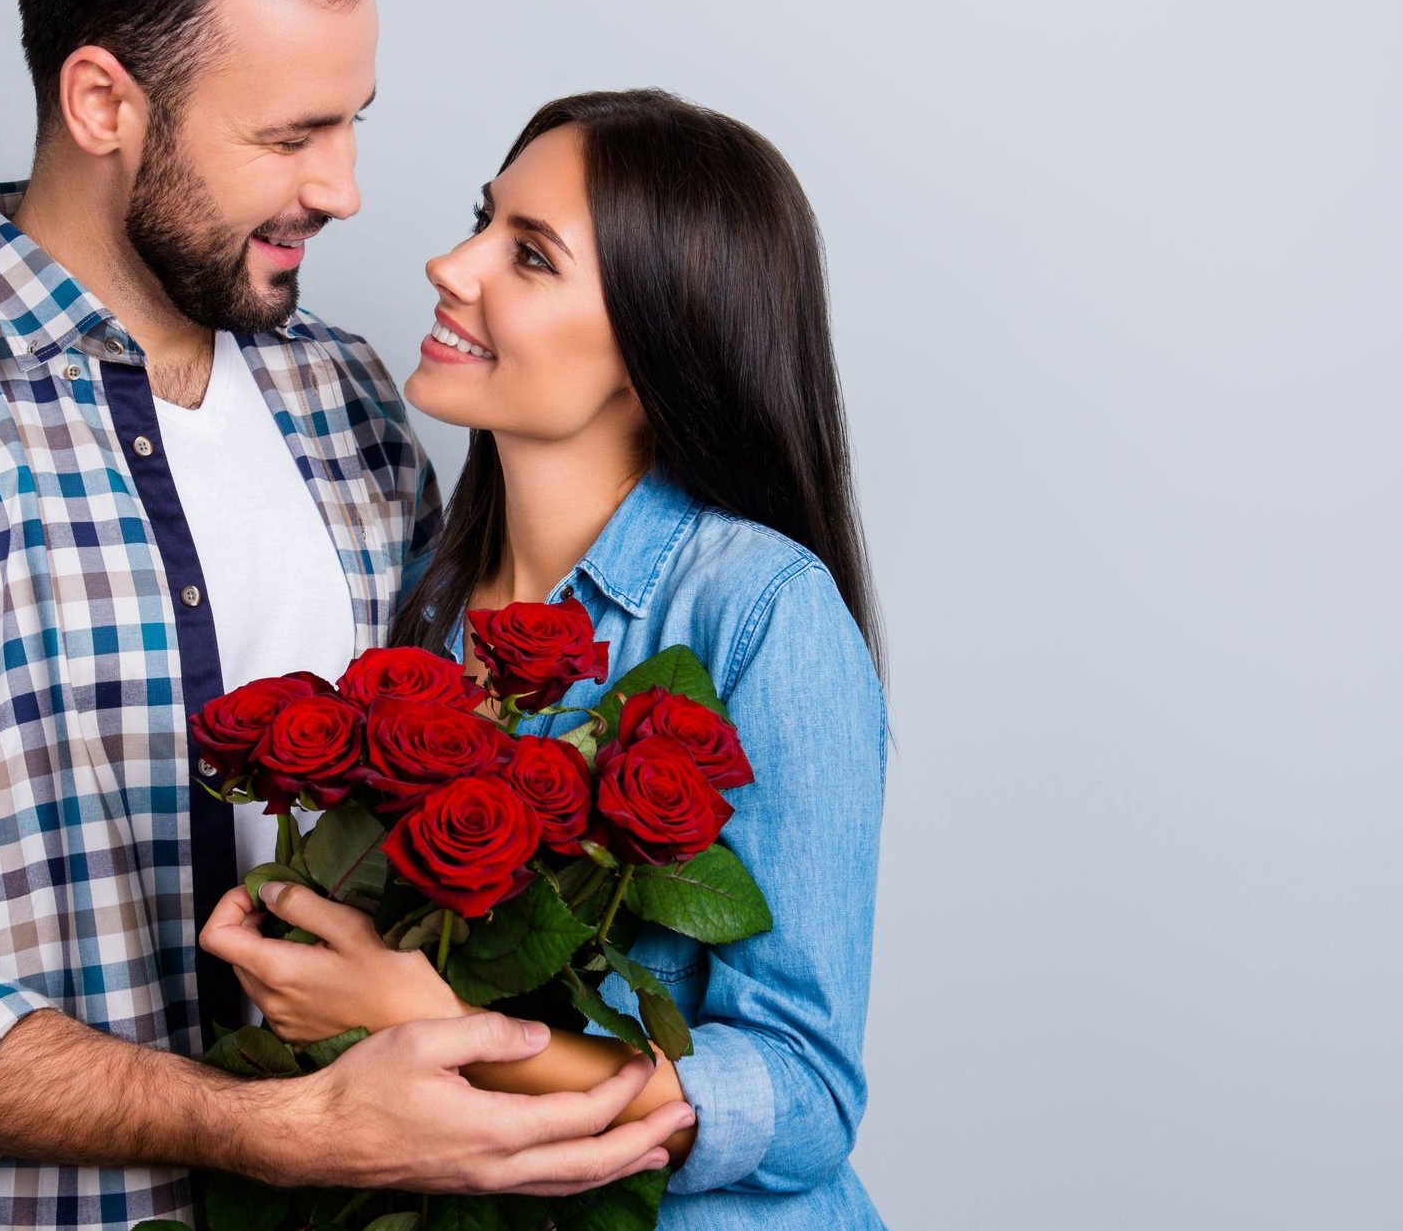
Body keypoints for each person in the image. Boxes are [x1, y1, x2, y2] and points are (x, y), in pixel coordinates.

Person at [0, 0, 688, 1227]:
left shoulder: (347, 391)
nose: (343, 187)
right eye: (289, 135)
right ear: (103, 101)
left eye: (353, 121)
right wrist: (276, 1130)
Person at [202, 89, 892, 1227]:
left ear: (654, 340)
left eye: (526, 256)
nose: (447, 262)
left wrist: (418, 1021)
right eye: (482, 219)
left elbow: (805, 1094)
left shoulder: (759, 609)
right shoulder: (419, 613)